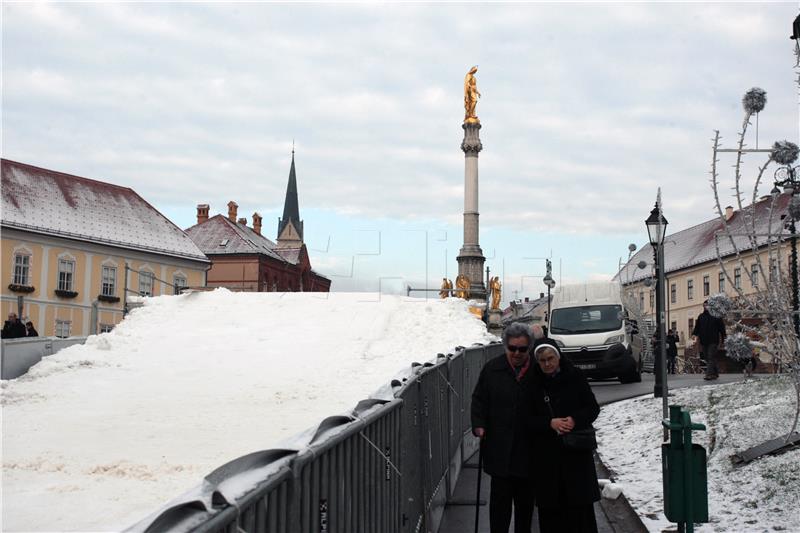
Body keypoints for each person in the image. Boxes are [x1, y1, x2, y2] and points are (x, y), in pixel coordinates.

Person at [529, 341, 601, 533]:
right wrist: (549, 423)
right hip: (547, 460)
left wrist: (574, 420)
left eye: (550, 359)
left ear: (558, 357)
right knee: (552, 516)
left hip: (575, 455)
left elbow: (592, 408)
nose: (547, 364)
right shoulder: (532, 383)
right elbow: (524, 418)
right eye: (542, 360)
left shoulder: (575, 376)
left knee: (580, 516)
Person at [471, 322, 535, 533]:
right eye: (512, 348)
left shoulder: (537, 370)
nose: (517, 353)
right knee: (499, 505)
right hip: (500, 450)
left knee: (525, 507)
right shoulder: (492, 369)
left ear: (529, 348)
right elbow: (479, 400)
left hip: (528, 450)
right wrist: (479, 425)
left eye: (522, 349)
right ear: (505, 346)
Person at [692, 300, 726, 380]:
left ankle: (709, 374)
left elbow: (722, 328)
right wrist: (694, 334)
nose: (705, 307)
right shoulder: (701, 316)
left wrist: (724, 337)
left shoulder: (716, 316)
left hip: (713, 340)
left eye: (707, 305)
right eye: (704, 305)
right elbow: (697, 327)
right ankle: (715, 373)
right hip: (704, 341)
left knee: (711, 357)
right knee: (707, 358)